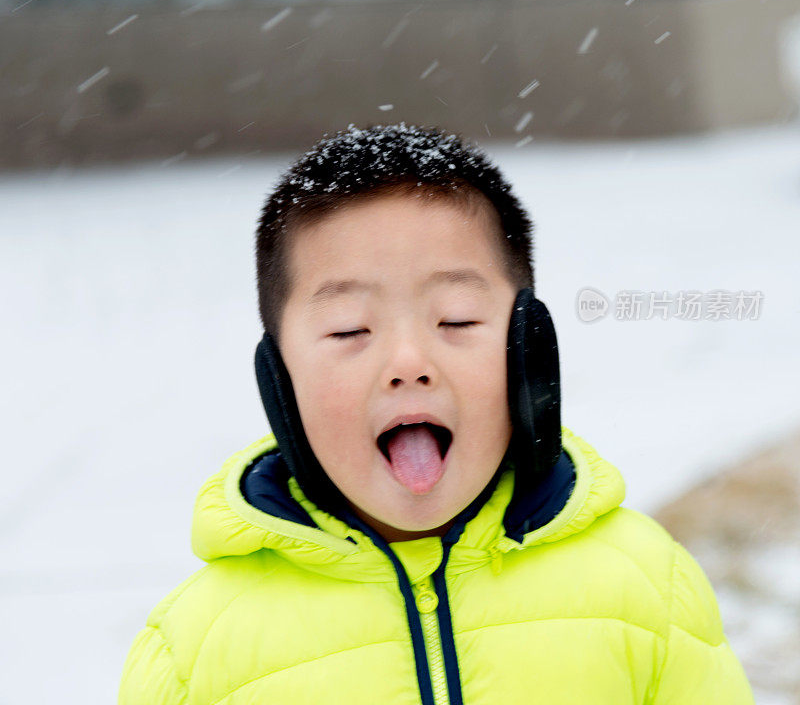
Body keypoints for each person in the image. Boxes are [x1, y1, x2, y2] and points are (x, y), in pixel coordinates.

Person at [118, 123, 754, 704]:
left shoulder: (644, 589)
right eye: (348, 331)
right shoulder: (195, 653)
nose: (407, 362)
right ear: (279, 382)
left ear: (527, 344)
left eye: (456, 320)